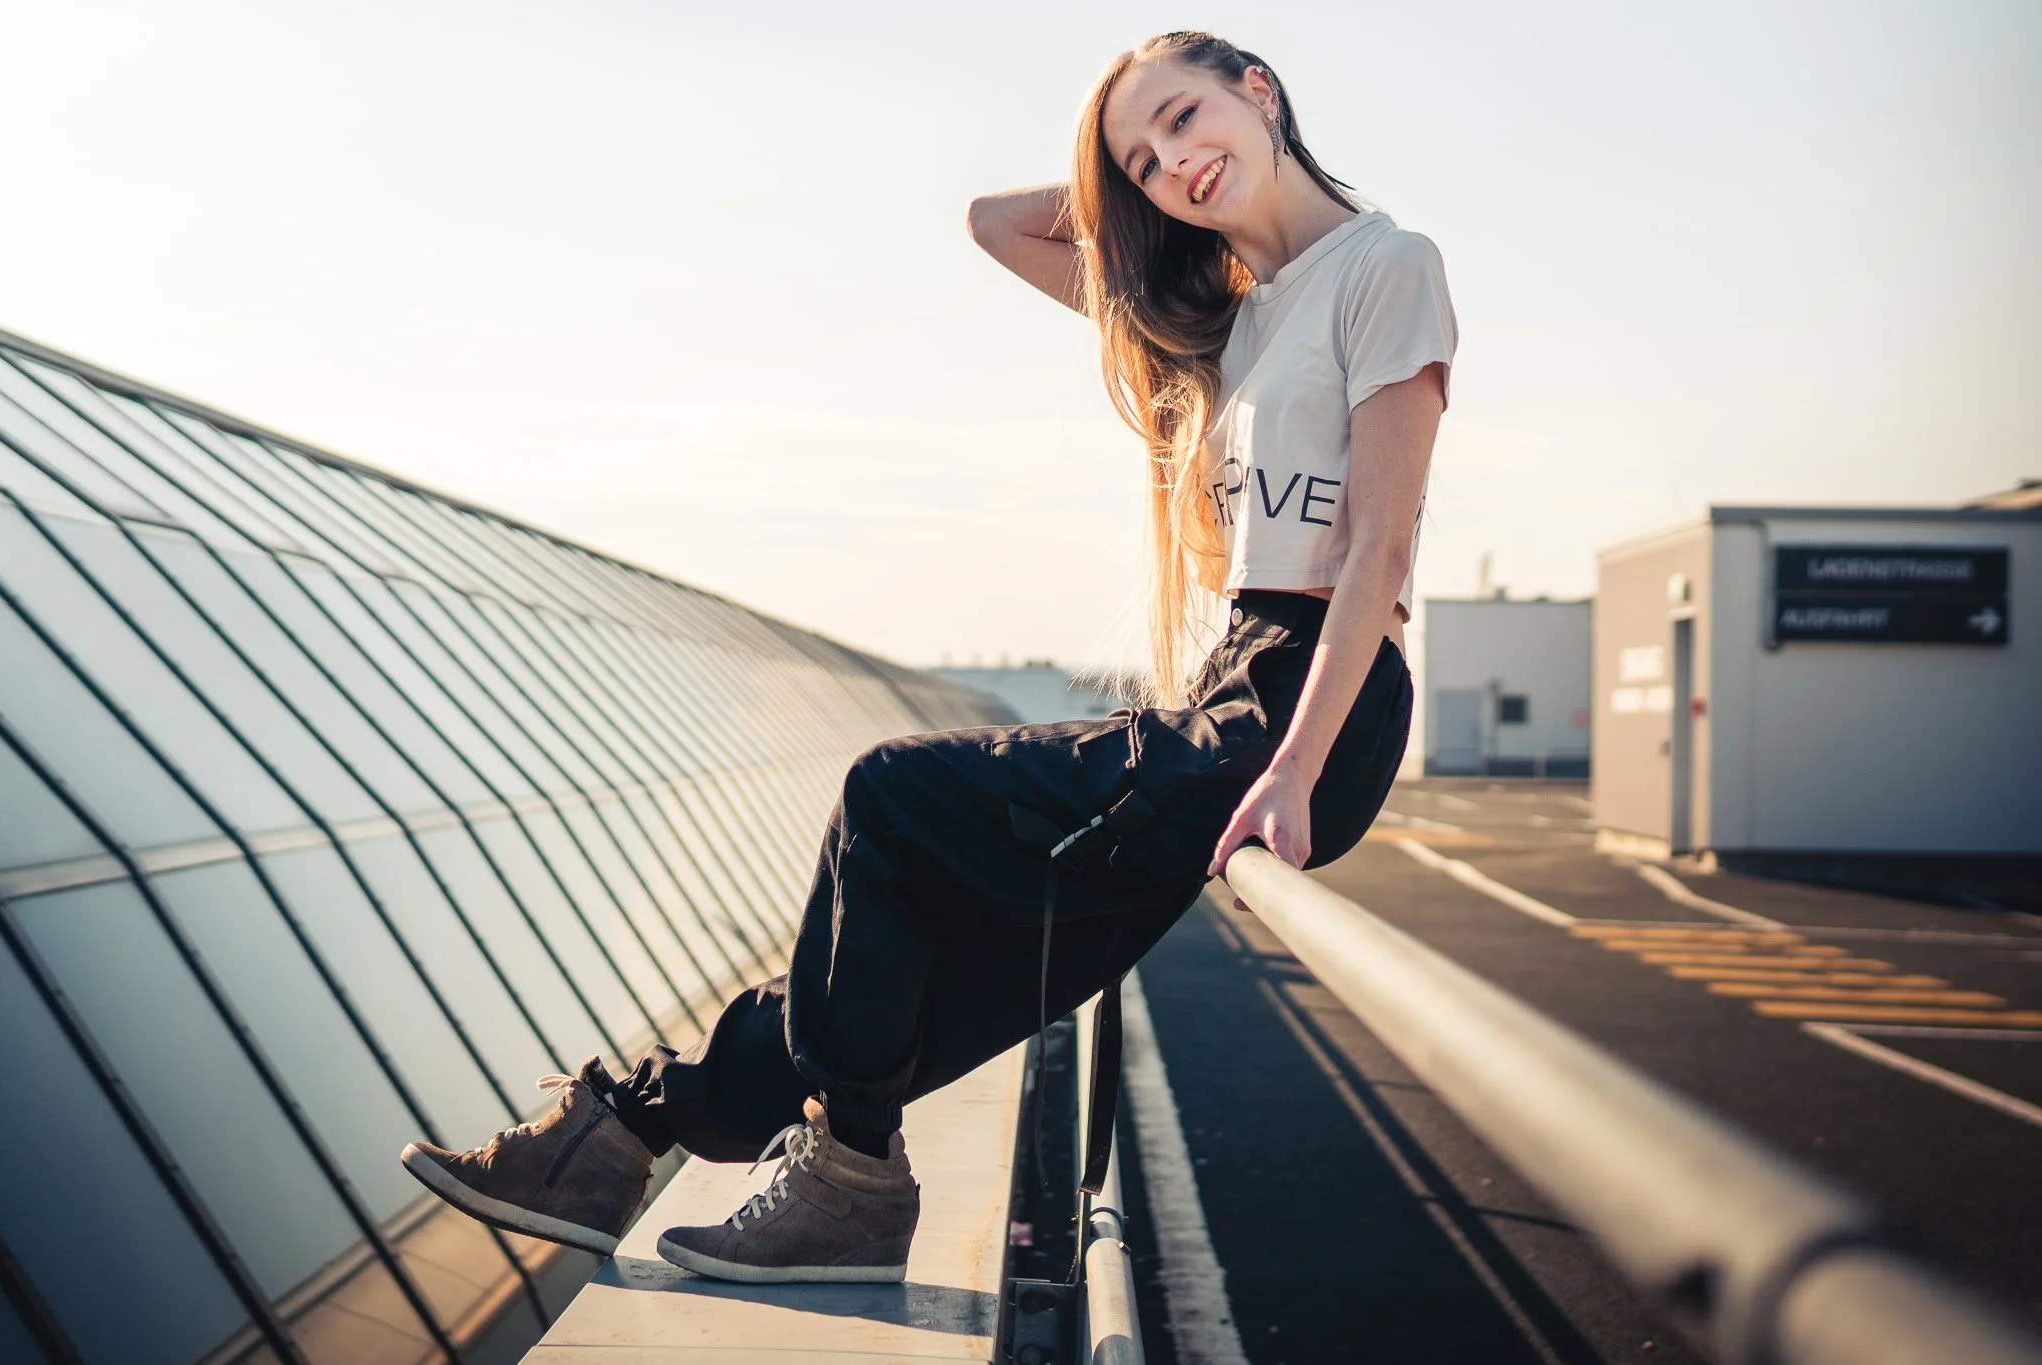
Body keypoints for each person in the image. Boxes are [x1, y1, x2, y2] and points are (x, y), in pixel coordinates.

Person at [398, 29, 1452, 1286]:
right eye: (1142, 157)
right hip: (1237, 681)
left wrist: (1288, 768)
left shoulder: (1385, 265)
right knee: (927, 970)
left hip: (1301, 700)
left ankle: (825, 1176)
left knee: (889, 798)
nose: (1173, 160)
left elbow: (1379, 554)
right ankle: (631, 1133)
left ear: (1259, 90)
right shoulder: (1226, 313)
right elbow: (995, 224)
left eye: (1186, 117)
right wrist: (1128, 183)